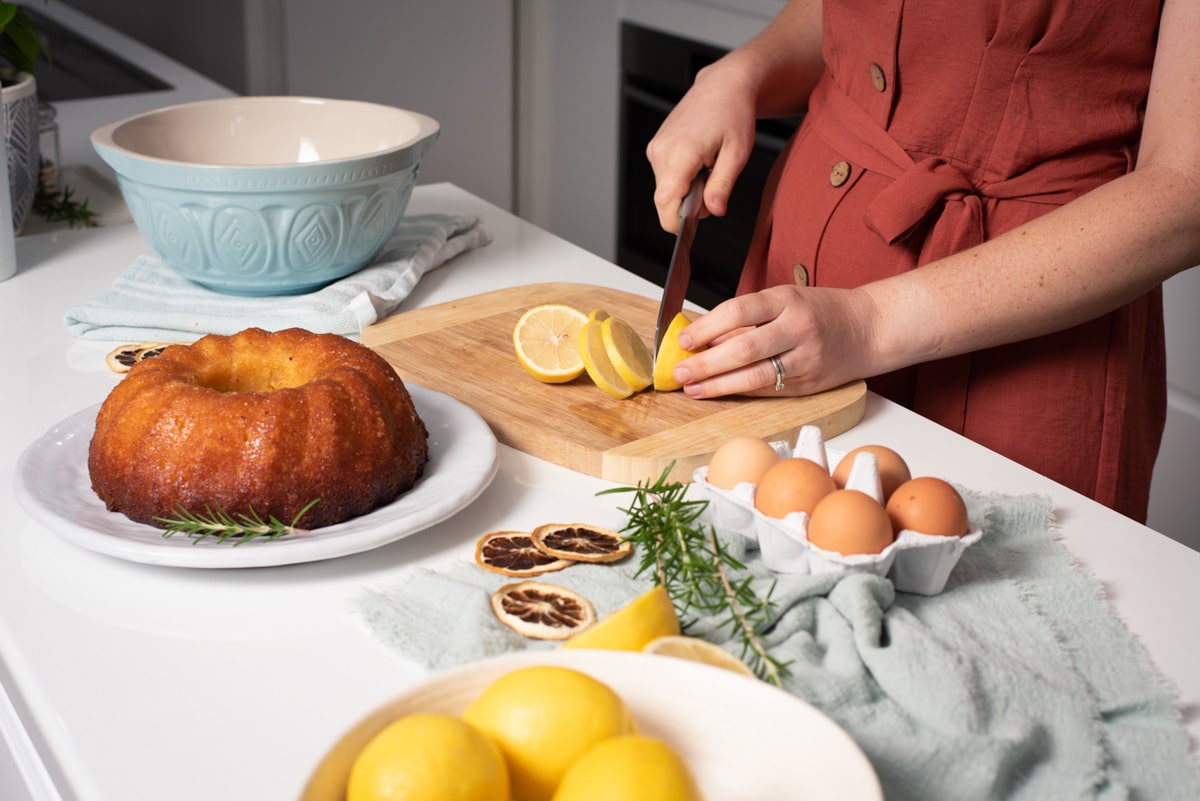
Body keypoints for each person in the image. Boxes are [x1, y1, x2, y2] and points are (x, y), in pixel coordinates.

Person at [645, 0, 1200, 523]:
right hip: (798, 284)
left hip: (1027, 337)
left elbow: (1187, 189)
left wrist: (871, 321)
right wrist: (746, 70)